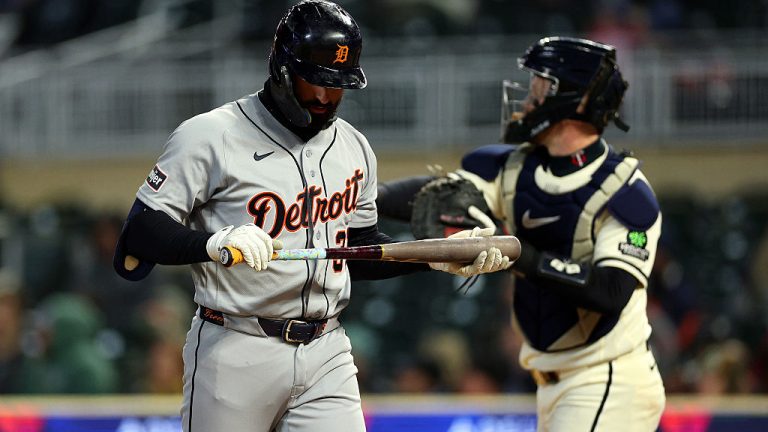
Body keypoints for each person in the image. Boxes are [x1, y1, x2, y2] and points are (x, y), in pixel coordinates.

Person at [112, 1, 511, 431]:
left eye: (337, 85)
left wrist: (433, 258)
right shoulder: (211, 135)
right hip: (235, 345)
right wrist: (212, 243)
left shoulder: (354, 148)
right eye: (315, 82)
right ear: (283, 69)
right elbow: (140, 232)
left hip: (327, 350)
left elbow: (353, 253)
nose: (326, 96)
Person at [379, 37, 665, 431]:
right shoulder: (516, 167)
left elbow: (611, 291)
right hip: (551, 384)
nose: (529, 96)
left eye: (541, 85)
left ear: (578, 101)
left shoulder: (626, 189)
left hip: (609, 380)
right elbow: (442, 195)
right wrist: (362, 198)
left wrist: (520, 255)